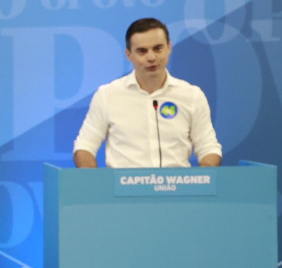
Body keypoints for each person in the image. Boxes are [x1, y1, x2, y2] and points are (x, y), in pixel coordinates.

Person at [74, 18, 222, 169]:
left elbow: (209, 148)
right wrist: (94, 186)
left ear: (169, 48)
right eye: (142, 51)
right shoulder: (107, 95)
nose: (151, 57)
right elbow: (84, 147)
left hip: (178, 189)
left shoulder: (192, 96)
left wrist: (201, 183)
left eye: (158, 48)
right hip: (123, 189)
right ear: (128, 55)